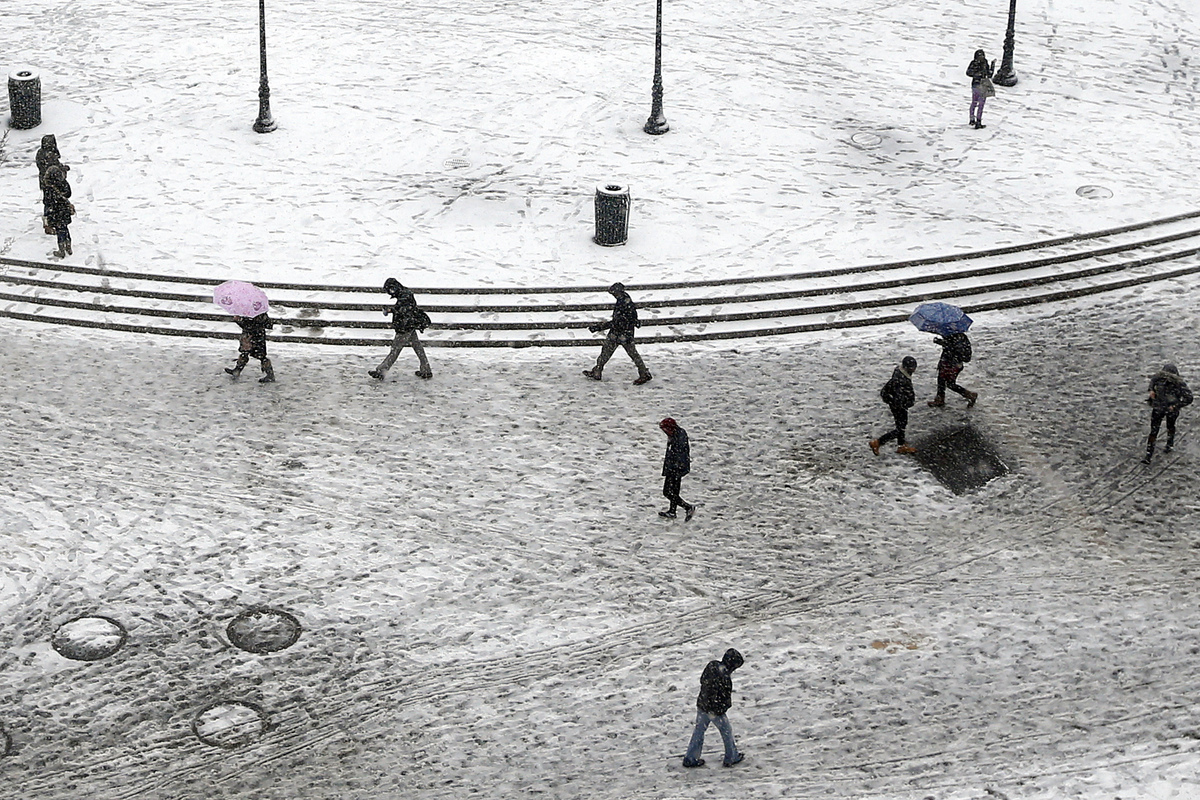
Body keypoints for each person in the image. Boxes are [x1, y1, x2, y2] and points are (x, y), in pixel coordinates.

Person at [682, 648, 745, 768]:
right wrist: (722, 709)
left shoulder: (712, 665)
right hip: (715, 711)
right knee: (726, 732)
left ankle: (691, 758)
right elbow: (725, 700)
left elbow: (702, 680)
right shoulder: (725, 678)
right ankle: (731, 756)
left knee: (699, 731)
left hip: (702, 705)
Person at [582, 282, 652, 385]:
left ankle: (644, 373)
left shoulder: (624, 303)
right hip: (622, 332)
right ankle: (597, 370)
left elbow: (618, 321)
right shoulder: (624, 300)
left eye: (614, 293)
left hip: (621, 332)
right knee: (608, 351)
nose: (613, 295)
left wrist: (600, 327)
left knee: (626, 353)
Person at [369, 277, 433, 380]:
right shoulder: (404, 293)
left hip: (405, 327)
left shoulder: (405, 295)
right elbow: (404, 308)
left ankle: (381, 371)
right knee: (418, 348)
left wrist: (391, 310)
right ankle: (426, 370)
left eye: (389, 290)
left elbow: (403, 310)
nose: (390, 294)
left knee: (395, 350)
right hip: (409, 325)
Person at [1142, 363, 1192, 464]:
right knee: (1154, 431)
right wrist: (1151, 390)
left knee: (1169, 426)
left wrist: (1175, 406)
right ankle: (1149, 453)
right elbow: (1152, 381)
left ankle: (1169, 444)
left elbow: (1189, 398)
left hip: (1170, 409)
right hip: (1159, 407)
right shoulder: (1159, 379)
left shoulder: (1179, 384)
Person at [870, 356, 919, 456]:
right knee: (901, 427)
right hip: (898, 405)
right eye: (912, 368)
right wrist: (906, 402)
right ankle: (878, 442)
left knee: (901, 424)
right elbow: (899, 395)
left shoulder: (900, 373)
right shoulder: (901, 380)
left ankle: (901, 445)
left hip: (895, 403)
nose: (913, 370)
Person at [658, 418, 695, 520]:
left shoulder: (678, 436)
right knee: (674, 492)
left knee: (668, 492)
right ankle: (672, 511)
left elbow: (679, 453)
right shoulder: (676, 434)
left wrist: (675, 467)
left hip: (675, 468)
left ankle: (688, 507)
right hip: (674, 468)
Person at [928, 331, 977, 408]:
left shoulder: (955, 337)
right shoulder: (956, 335)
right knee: (941, 379)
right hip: (949, 362)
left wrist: (942, 343)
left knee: (950, 383)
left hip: (952, 364)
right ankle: (940, 399)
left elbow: (952, 348)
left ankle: (970, 395)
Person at [225, 312, 276, 383]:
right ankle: (237, 370)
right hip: (254, 336)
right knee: (245, 353)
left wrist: (239, 320)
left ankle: (270, 375)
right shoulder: (258, 311)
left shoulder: (253, 313)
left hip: (253, 336)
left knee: (260, 356)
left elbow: (248, 325)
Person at [43, 163, 74, 258]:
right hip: (64, 210)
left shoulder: (49, 187)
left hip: (55, 212)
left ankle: (61, 250)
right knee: (65, 228)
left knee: (59, 230)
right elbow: (68, 194)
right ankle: (68, 247)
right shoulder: (63, 183)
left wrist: (47, 215)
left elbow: (47, 201)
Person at [966, 49, 996, 129]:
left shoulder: (985, 63)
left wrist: (992, 66)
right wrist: (978, 74)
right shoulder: (974, 63)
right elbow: (968, 72)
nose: (981, 58)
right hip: (976, 85)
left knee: (980, 103)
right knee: (975, 102)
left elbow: (989, 74)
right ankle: (973, 119)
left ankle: (977, 120)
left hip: (982, 85)